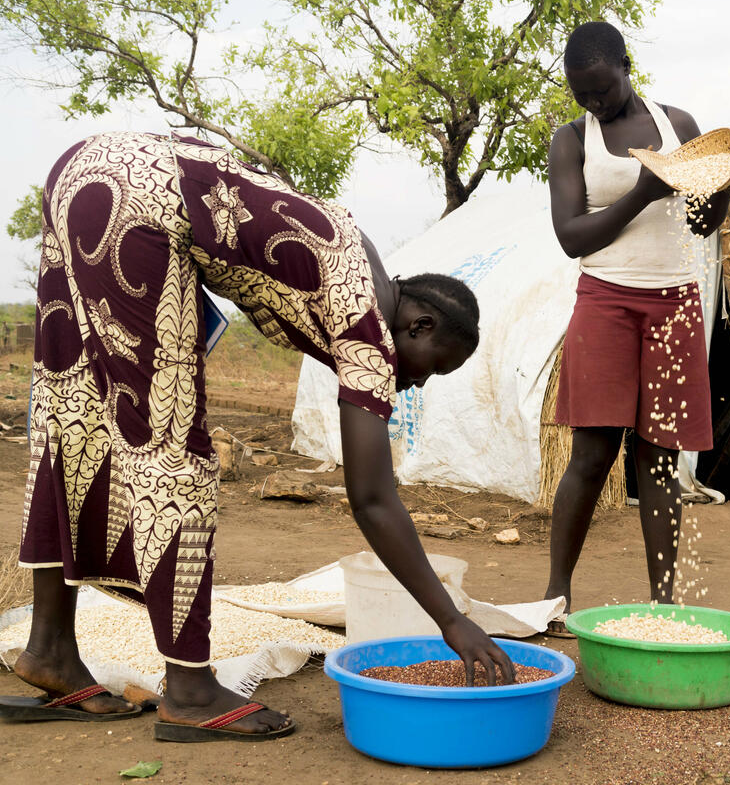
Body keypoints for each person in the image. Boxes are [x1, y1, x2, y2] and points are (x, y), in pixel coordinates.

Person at [0, 131, 514, 741]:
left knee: (75, 412)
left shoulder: (360, 256)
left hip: (90, 169)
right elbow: (373, 499)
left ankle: (51, 647)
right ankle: (191, 690)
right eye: (435, 364)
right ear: (419, 323)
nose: (420, 382)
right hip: (144, 203)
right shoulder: (367, 329)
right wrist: (452, 621)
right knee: (171, 449)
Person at [541, 22, 730, 635]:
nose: (596, 104)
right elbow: (571, 237)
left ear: (626, 67)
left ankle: (664, 604)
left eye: (603, 90)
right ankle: (556, 595)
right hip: (605, 299)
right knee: (593, 452)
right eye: (583, 94)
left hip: (673, 303)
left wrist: (725, 183)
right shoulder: (571, 140)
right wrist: (641, 191)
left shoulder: (678, 126)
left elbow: (702, 223)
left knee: (660, 458)